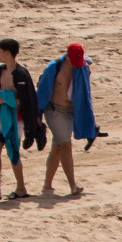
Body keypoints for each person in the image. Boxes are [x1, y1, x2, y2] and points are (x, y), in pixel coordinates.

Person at [38, 42, 96, 195]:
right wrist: (37, 116)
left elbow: (85, 94)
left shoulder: (82, 67)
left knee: (57, 147)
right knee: (66, 145)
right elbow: (42, 92)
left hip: (71, 112)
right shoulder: (54, 67)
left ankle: (47, 185)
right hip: (54, 111)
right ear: (67, 55)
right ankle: (73, 186)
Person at [0, 39, 32, 201]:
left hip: (15, 118)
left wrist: (4, 100)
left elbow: (25, 100)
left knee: (13, 151)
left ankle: (21, 188)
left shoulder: (21, 74)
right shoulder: (1, 70)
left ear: (7, 53)